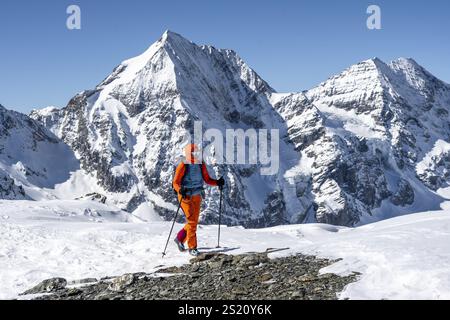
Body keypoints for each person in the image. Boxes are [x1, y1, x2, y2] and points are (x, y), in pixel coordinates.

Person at [172, 143, 225, 256]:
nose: (196, 154)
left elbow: (206, 179)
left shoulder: (201, 164)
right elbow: (175, 182)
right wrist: (180, 190)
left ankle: (180, 238)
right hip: (185, 196)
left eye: (197, 152)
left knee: (193, 222)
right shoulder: (183, 165)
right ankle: (192, 247)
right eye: (193, 152)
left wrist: (217, 182)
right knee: (192, 222)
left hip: (197, 195)